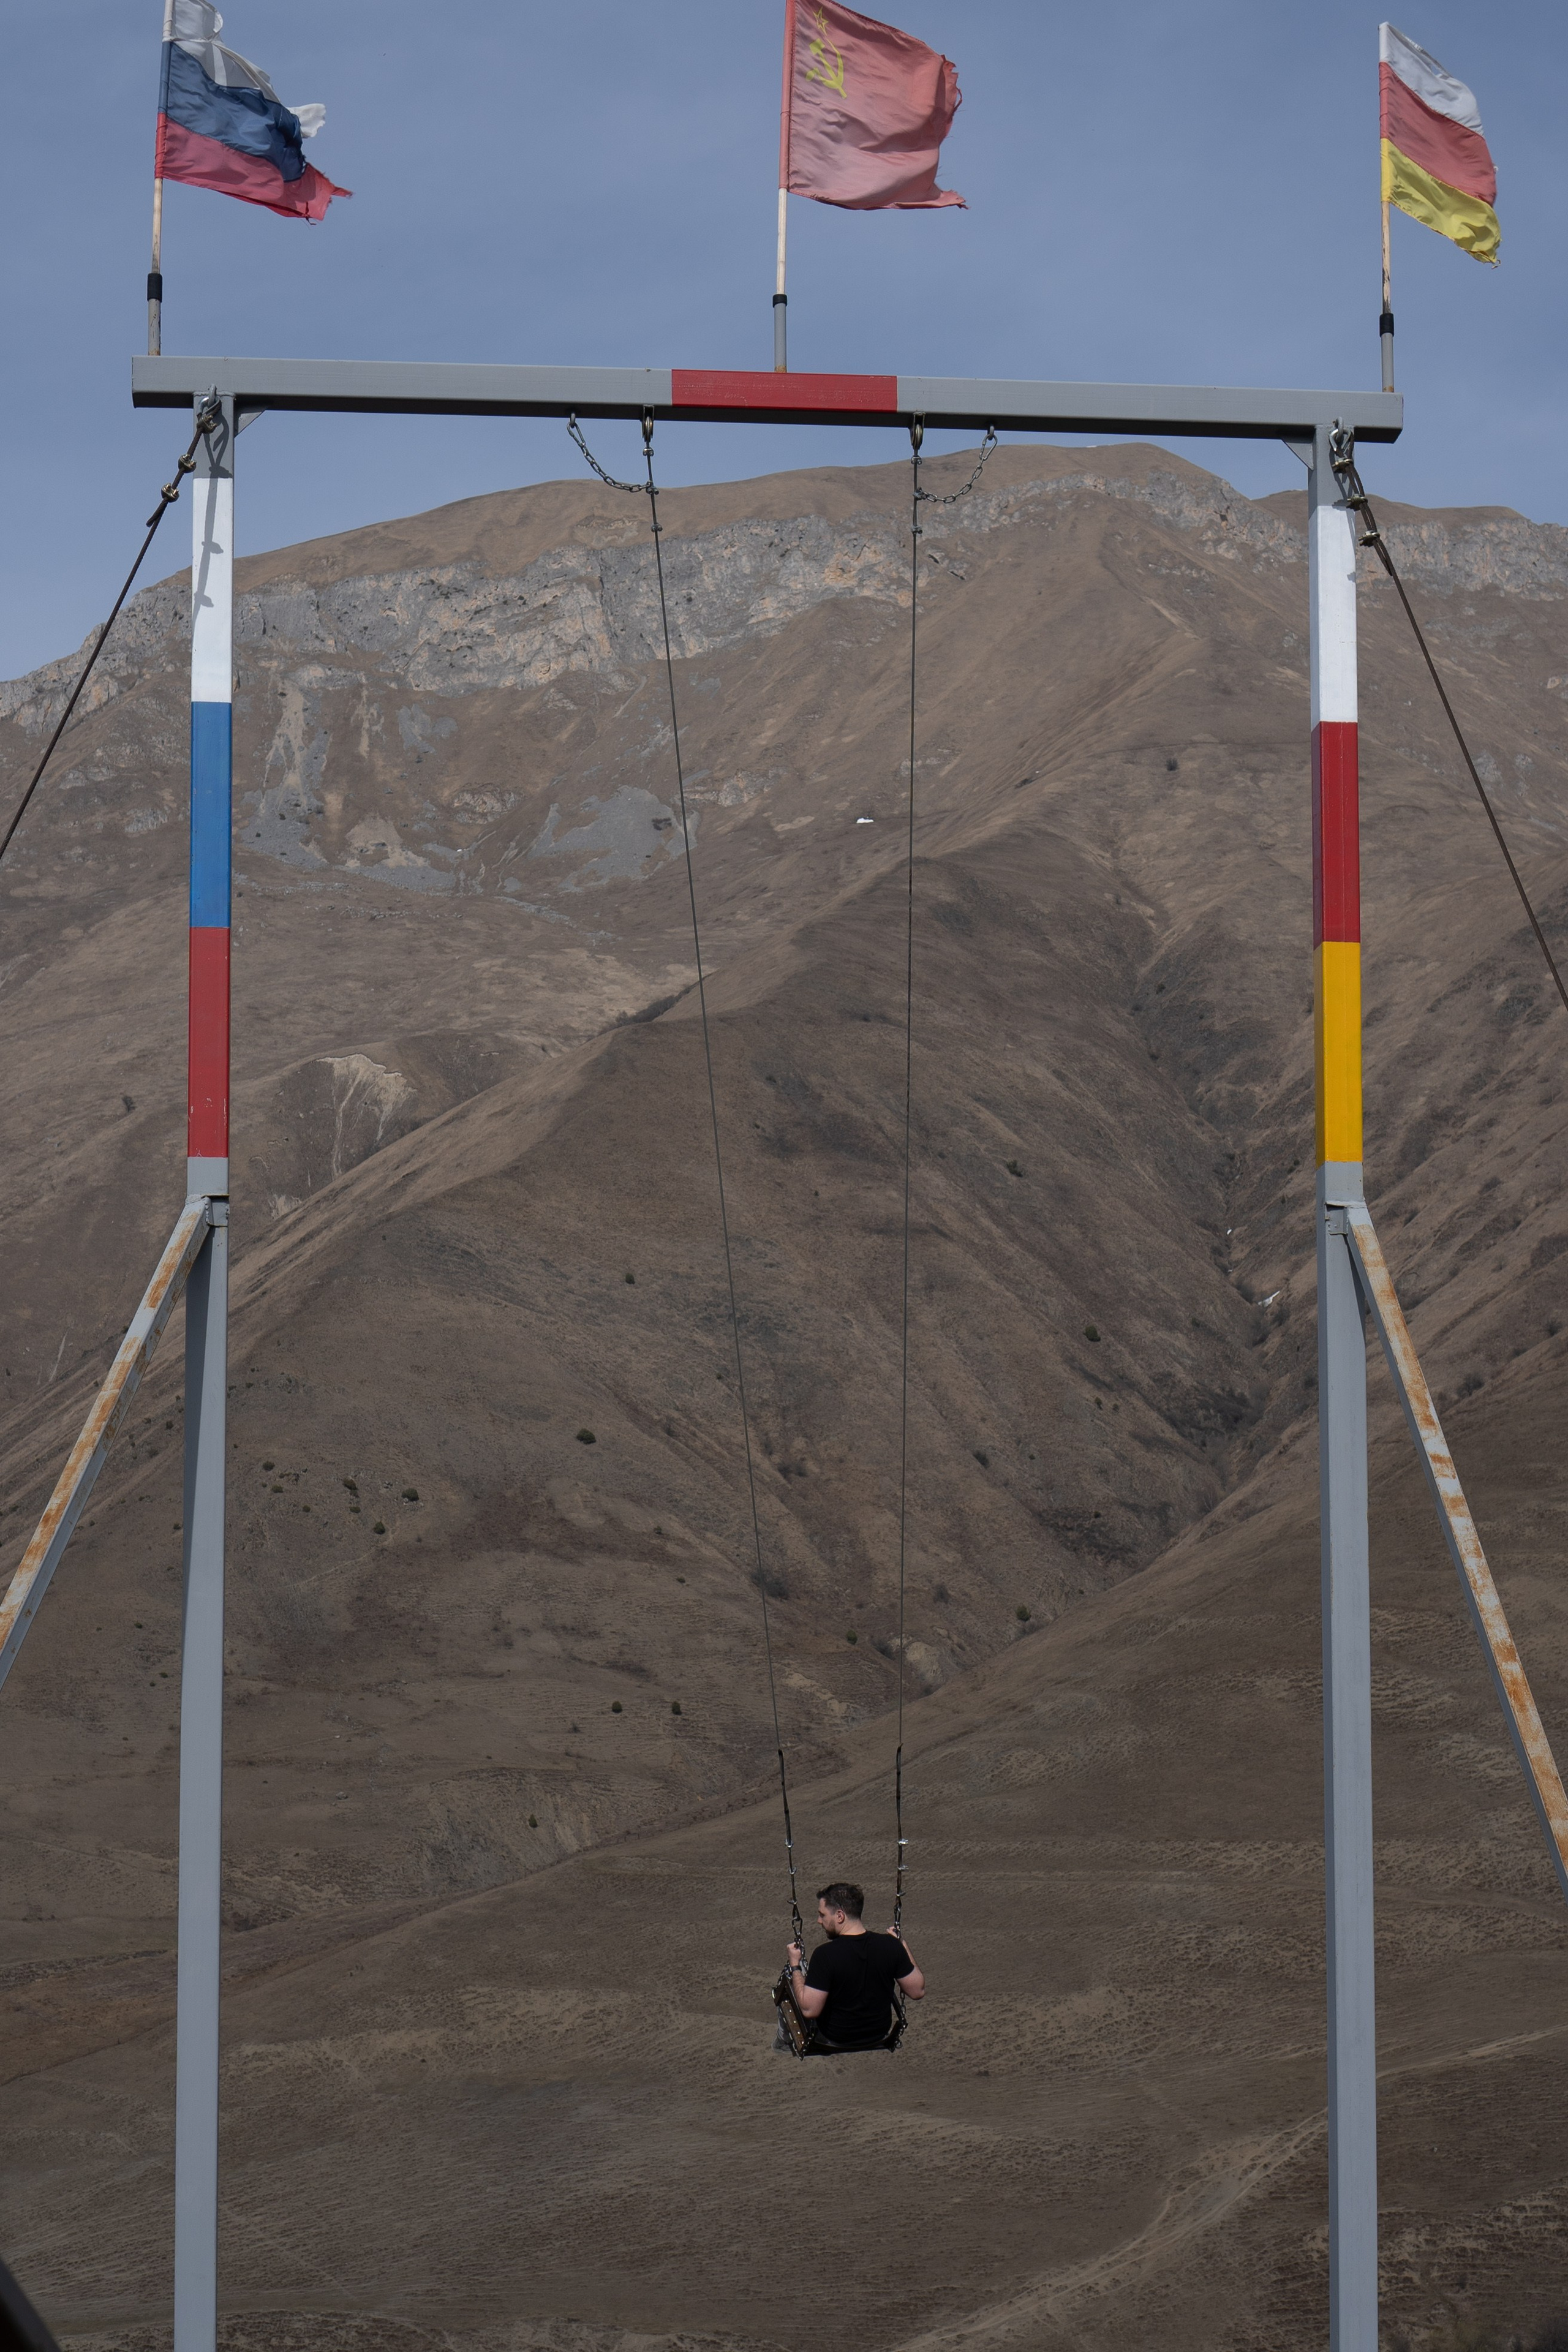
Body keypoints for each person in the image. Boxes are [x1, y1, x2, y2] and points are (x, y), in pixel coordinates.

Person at [782, 1880, 925, 2046]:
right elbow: (918, 1991)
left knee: (789, 1986)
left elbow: (809, 2010)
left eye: (822, 1915)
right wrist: (903, 1946)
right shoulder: (890, 1945)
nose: (819, 1921)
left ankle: (783, 2040)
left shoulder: (825, 1955)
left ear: (840, 1916)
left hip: (836, 2037)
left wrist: (795, 1966)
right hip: (878, 2033)